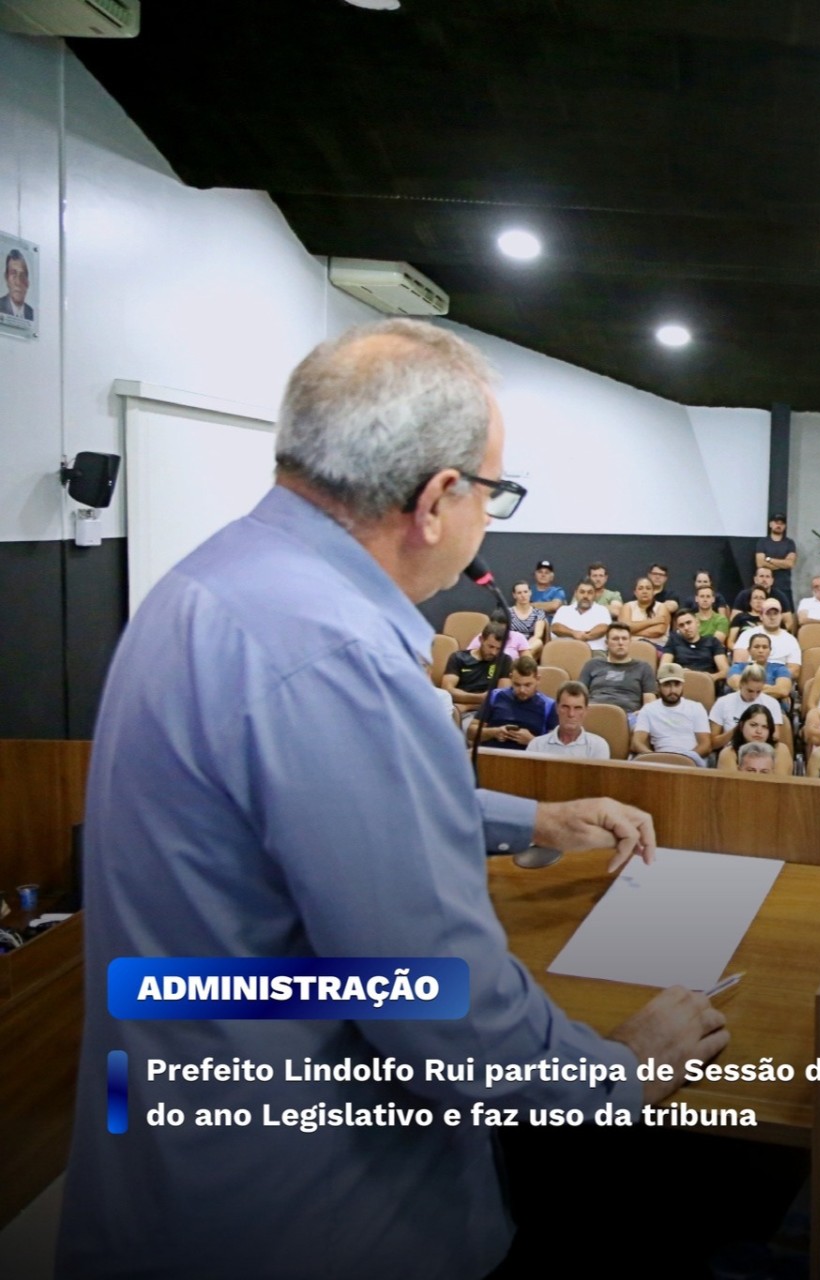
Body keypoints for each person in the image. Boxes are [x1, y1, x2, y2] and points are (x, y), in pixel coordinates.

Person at [59, 319, 725, 1278]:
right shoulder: (339, 657)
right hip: (308, 1207)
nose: (491, 518)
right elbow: (439, 1006)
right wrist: (620, 1070)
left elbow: (295, 816)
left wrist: (528, 820)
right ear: (438, 499)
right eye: (495, 492)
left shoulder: (217, 580)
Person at [628, 663, 714, 763]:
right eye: (667, 685)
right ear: (658, 686)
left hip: (690, 760)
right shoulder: (648, 709)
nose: (673, 690)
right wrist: (654, 758)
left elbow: (705, 745)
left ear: (682, 685)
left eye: (677, 684)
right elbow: (637, 743)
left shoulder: (696, 708)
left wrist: (683, 760)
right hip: (658, 761)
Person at [476, 655, 557, 749]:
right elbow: (471, 732)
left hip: (527, 759)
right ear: (511, 678)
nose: (522, 690)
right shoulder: (495, 696)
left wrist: (532, 741)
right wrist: (494, 732)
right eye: (517, 684)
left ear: (538, 679)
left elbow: (553, 748)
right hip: (493, 755)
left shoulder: (549, 705)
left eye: (527, 685)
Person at [578, 621, 660, 714]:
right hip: (593, 712)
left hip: (629, 715)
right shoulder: (592, 664)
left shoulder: (643, 667)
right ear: (606, 643)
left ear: (630, 642)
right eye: (615, 639)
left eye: (624, 639)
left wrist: (642, 713)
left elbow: (650, 702)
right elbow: (578, 696)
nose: (620, 643)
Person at [527, 681, 611, 759]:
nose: (571, 714)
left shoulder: (598, 746)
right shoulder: (537, 745)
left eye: (577, 708)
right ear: (557, 708)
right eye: (565, 707)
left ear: (586, 711)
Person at [709, 664, 790, 745]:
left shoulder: (772, 703)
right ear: (741, 685)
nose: (754, 696)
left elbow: (775, 737)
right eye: (750, 691)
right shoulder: (723, 702)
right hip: (732, 750)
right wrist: (738, 730)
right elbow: (713, 743)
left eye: (758, 691)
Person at [443, 622, 512, 712]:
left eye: (499, 649)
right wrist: (480, 698)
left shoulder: (504, 660)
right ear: (481, 640)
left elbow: (501, 699)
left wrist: (467, 706)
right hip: (457, 709)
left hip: (487, 711)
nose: (494, 652)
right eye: (491, 646)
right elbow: (447, 691)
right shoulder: (458, 657)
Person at [717, 704, 794, 775]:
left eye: (764, 727)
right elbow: (731, 786)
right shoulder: (728, 753)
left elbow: (780, 785)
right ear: (741, 726)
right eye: (753, 725)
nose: (759, 731)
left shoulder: (780, 750)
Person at [727, 632, 794, 702]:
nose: (761, 650)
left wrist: (748, 689)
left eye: (765, 647)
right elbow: (736, 684)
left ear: (770, 651)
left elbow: (783, 691)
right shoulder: (738, 667)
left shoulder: (780, 669)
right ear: (749, 650)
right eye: (756, 647)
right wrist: (771, 689)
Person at [661, 608, 729, 676]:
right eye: (681, 625)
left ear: (697, 623)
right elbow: (663, 668)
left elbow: (725, 671)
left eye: (689, 622)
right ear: (678, 629)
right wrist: (679, 672)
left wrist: (709, 677)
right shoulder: (673, 641)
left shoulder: (713, 642)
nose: (686, 628)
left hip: (706, 681)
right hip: (681, 680)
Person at [550, 579, 613, 652]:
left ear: (595, 595)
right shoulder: (564, 610)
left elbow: (604, 628)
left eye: (590, 593)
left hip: (594, 651)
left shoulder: (602, 610)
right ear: (576, 593)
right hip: (565, 651)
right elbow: (555, 628)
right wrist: (573, 633)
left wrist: (585, 636)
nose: (585, 596)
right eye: (582, 592)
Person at [755, 513, 798, 600]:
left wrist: (768, 559)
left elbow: (790, 564)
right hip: (764, 587)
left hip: (784, 586)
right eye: (776, 522)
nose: (779, 525)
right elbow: (760, 563)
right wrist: (782, 564)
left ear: (785, 526)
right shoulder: (762, 542)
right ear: (770, 524)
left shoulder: (789, 543)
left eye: (781, 523)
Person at [502, 580, 549, 657]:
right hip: (511, 645)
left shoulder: (538, 613)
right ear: (514, 595)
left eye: (525, 592)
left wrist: (523, 648)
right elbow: (503, 634)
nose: (523, 595)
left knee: (538, 642)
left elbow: (538, 635)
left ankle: (518, 659)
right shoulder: (507, 613)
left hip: (530, 645)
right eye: (519, 593)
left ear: (530, 592)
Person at [622, 575, 672, 645]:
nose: (644, 591)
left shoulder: (661, 607)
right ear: (635, 592)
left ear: (653, 592)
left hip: (656, 647)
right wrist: (651, 621)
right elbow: (624, 628)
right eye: (640, 588)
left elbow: (658, 630)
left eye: (648, 588)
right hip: (630, 647)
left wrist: (631, 631)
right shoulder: (627, 606)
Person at [1, 246, 34, 321]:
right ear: (7, 278)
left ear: (27, 283)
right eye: (13, 274)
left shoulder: (32, 313)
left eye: (22, 275)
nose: (18, 282)